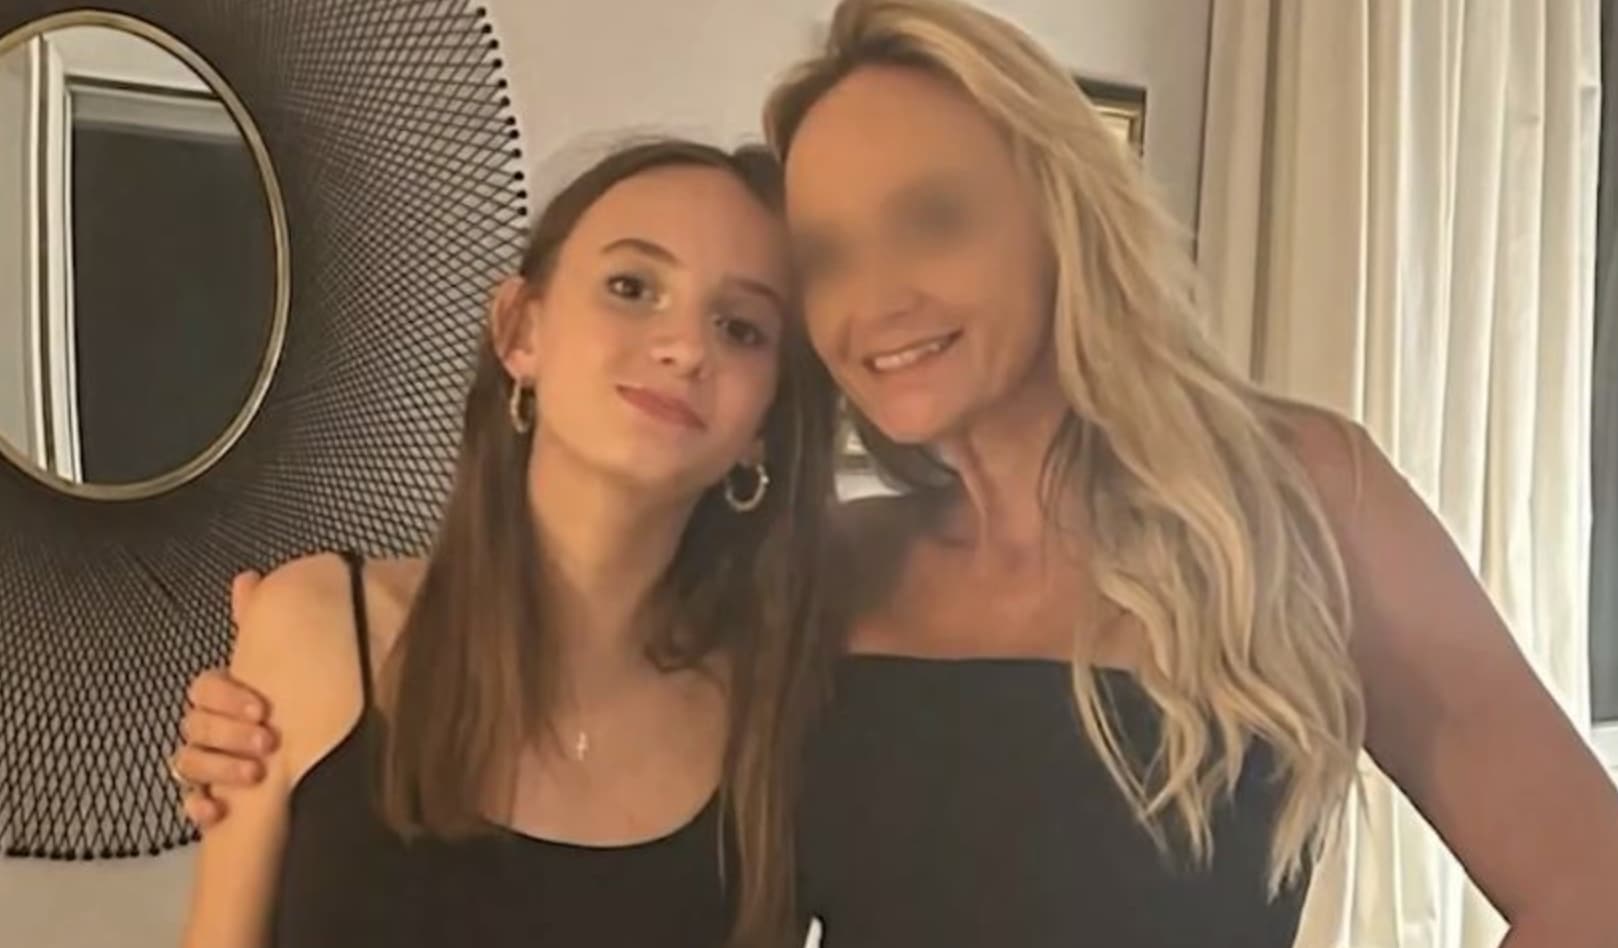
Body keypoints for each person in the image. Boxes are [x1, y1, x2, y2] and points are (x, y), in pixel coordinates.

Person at [172, 1, 1618, 945]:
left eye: (932, 217)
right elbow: (573, 762)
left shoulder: (1294, 502)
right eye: (826, 256)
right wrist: (282, 719)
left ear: (1057, 215)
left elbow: (1588, 884)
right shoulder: (833, 575)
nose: (877, 298)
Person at [177, 138, 839, 948]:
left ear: (764, 426)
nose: (687, 348)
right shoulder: (319, 626)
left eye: (740, 328)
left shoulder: (781, 720)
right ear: (521, 330)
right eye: (632, 287)